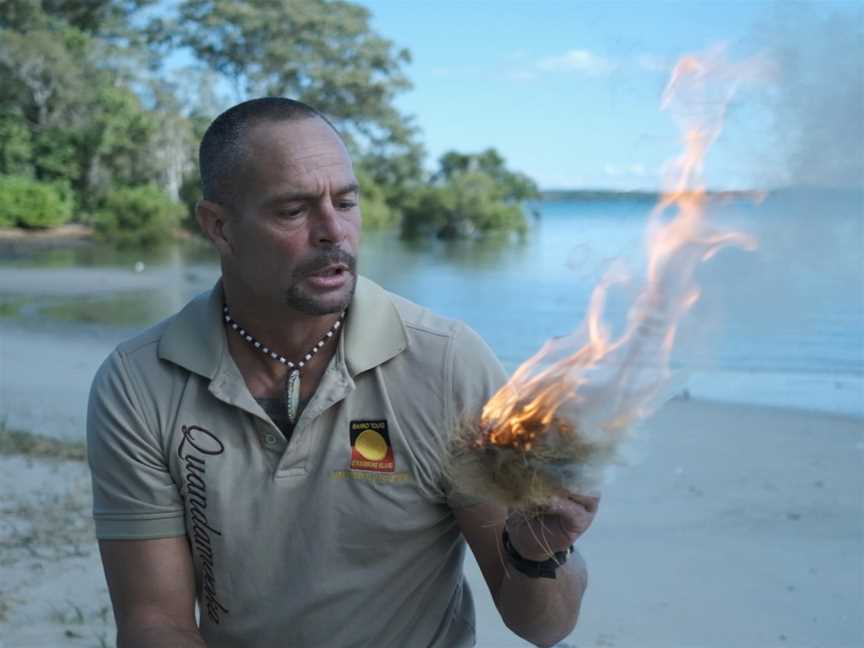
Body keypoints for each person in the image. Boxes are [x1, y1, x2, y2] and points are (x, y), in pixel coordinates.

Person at [87, 97, 599, 648]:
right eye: (293, 210)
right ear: (219, 227)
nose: (334, 231)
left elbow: (545, 626)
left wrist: (537, 551)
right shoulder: (140, 383)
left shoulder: (446, 363)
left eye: (346, 202)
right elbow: (155, 623)